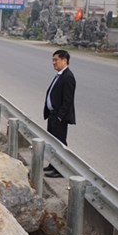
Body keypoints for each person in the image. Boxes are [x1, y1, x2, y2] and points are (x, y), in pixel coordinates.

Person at [43, 49, 76, 178]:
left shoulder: (68, 77)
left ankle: (60, 169)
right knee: (52, 142)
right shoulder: (60, 75)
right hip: (52, 115)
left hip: (59, 117)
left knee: (60, 143)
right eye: (53, 60)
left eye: (56, 60)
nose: (54, 63)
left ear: (64, 60)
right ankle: (53, 165)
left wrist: (59, 117)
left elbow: (67, 101)